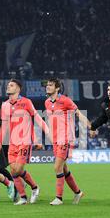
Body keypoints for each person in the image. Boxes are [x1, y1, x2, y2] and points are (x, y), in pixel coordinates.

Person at [0, 79, 49, 205]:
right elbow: (4, 126)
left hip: (25, 140)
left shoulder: (26, 102)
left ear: (18, 89)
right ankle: (23, 198)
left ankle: (35, 188)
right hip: (12, 142)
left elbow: (36, 117)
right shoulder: (5, 105)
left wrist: (46, 131)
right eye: (8, 85)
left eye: (11, 85)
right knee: (13, 171)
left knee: (18, 170)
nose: (8, 87)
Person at [44, 78, 91, 206]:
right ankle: (78, 192)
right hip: (55, 139)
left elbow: (79, 114)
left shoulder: (65, 100)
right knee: (63, 169)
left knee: (57, 167)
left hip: (65, 138)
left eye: (50, 85)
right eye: (47, 85)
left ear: (57, 88)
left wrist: (90, 126)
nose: (47, 87)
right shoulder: (47, 102)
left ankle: (59, 198)